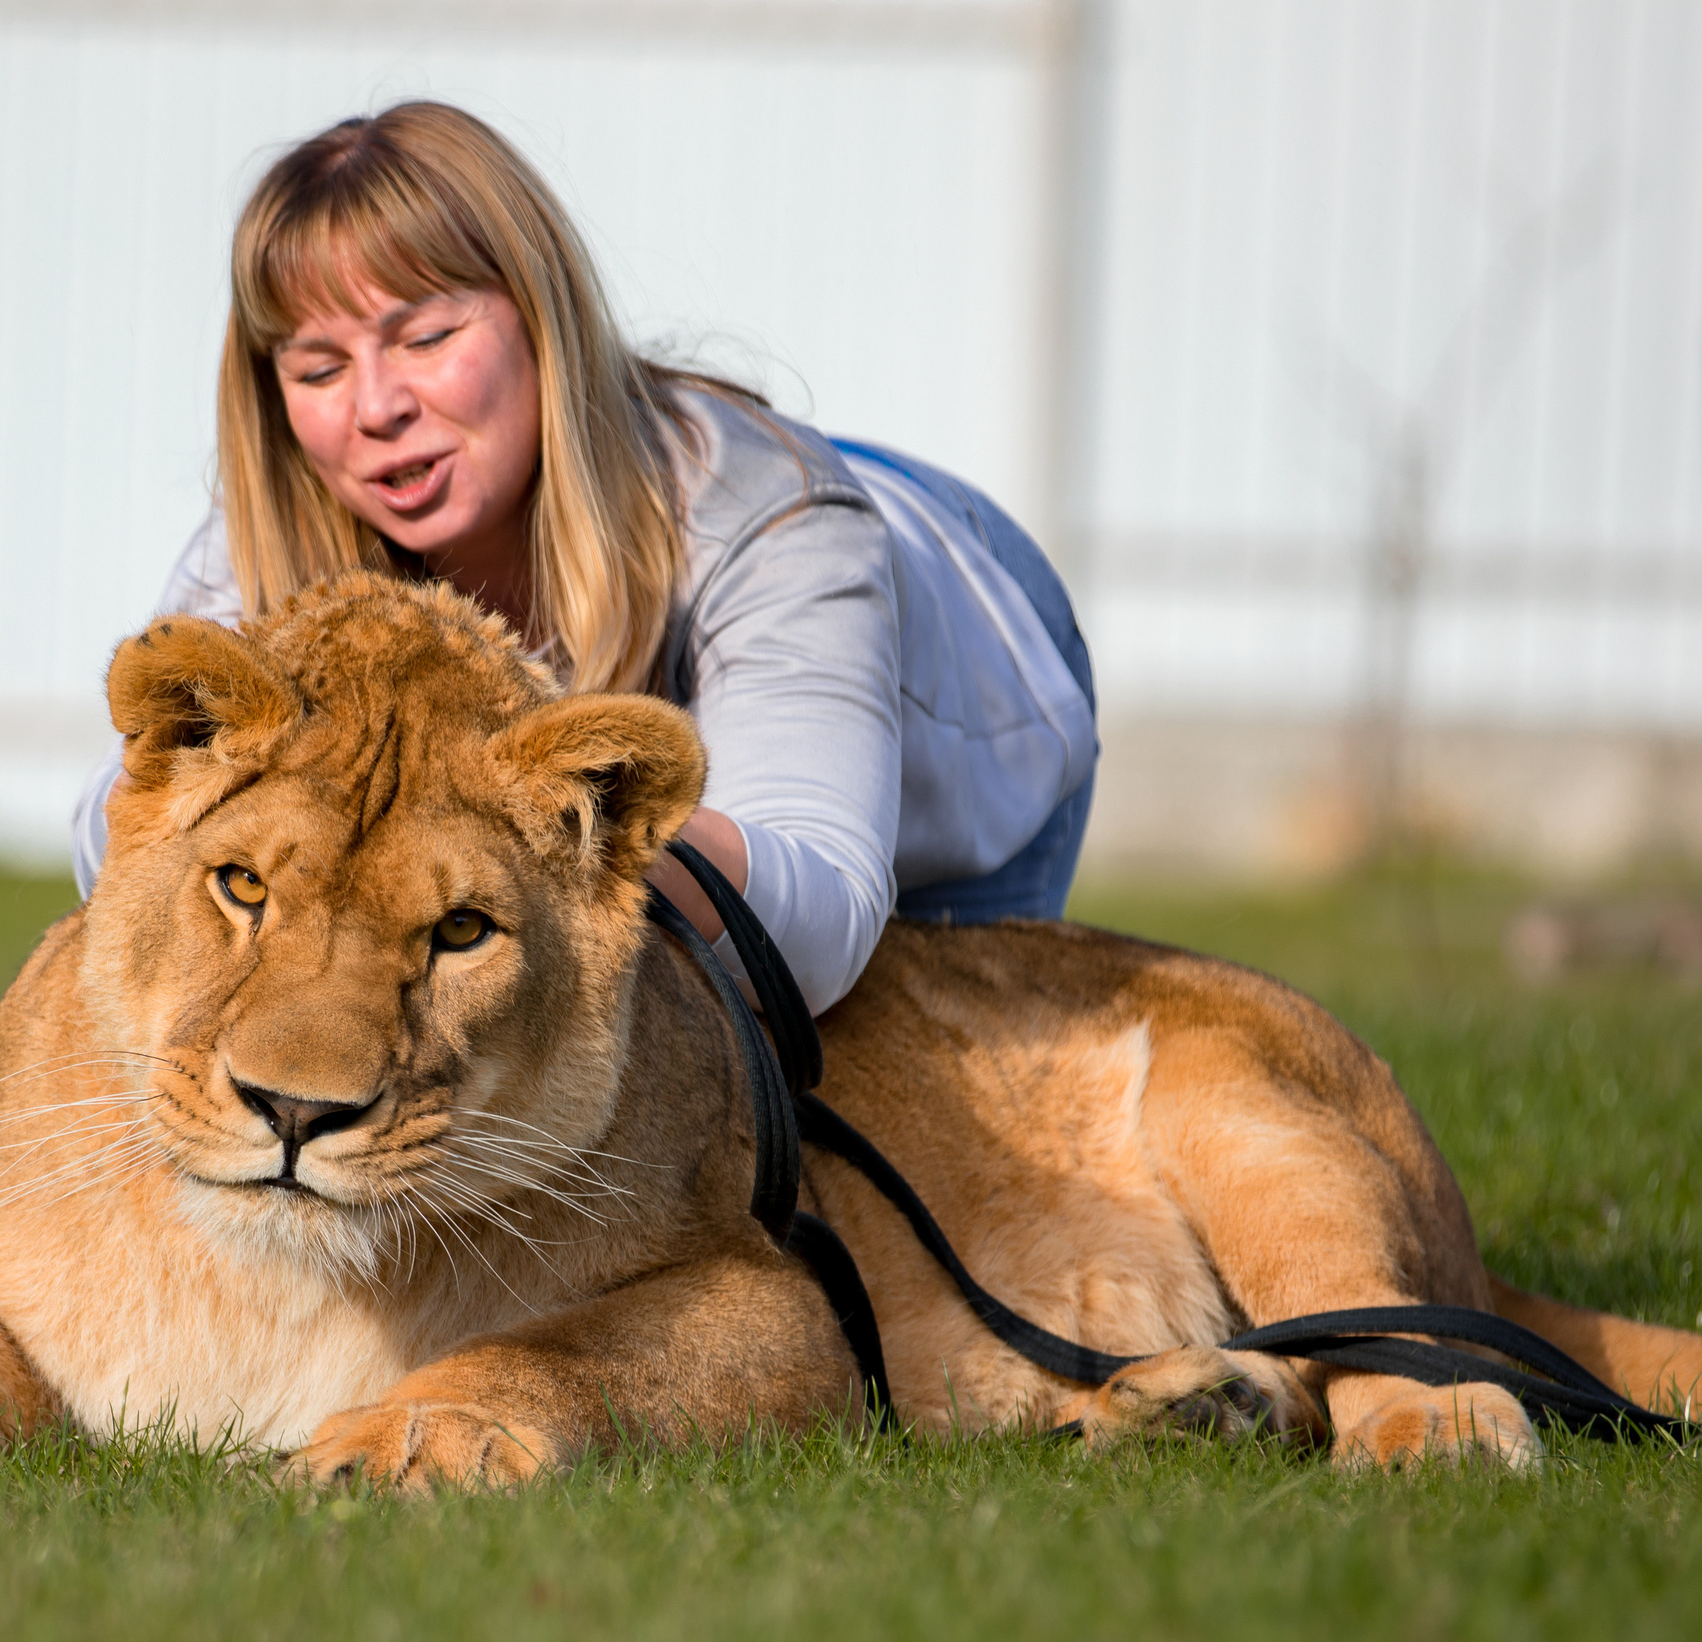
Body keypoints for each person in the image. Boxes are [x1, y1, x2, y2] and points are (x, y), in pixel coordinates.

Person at [72, 102, 1096, 1016]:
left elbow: (816, 922)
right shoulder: (278, 523)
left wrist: (560, 844)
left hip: (979, 675)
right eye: (321, 366)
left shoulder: (769, 516)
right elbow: (115, 847)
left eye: (425, 336)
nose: (375, 407)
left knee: (891, 1104)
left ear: (540, 312)